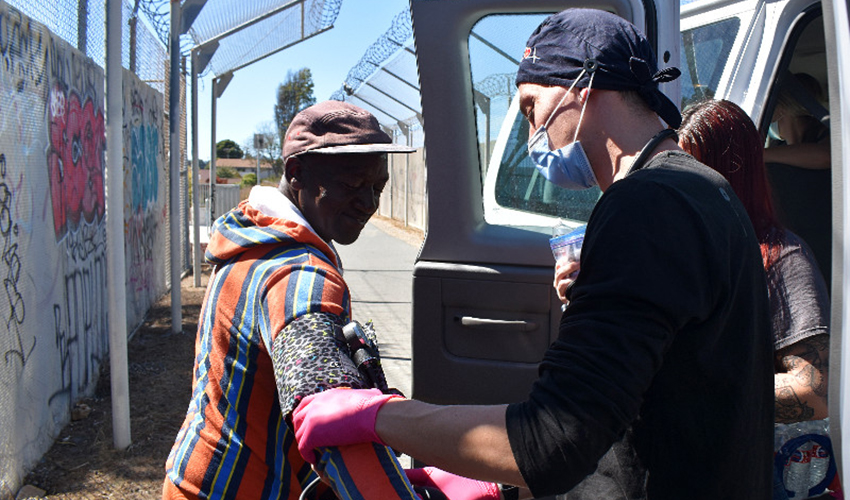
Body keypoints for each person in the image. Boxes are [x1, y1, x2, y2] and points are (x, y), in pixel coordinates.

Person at [291, 9, 774, 499]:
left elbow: (552, 441)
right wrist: (493, 483)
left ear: (581, 86)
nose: (530, 136)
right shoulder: (704, 188)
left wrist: (377, 415)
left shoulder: (644, 208)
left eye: (530, 108)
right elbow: (652, 402)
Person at [162, 101, 449, 499]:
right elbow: (336, 426)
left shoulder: (252, 236)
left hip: (197, 477)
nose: (369, 202)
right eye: (351, 184)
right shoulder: (300, 277)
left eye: (378, 187)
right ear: (297, 173)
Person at [677, 99, 831, 499]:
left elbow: (814, 392)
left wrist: (701, 395)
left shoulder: (784, 259)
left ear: (729, 175)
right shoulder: (679, 250)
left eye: (689, 173)